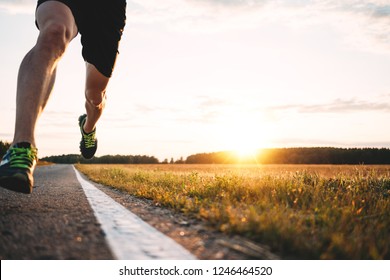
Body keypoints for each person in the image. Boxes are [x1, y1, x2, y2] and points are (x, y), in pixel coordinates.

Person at [0, 0, 127, 194]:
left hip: (107, 6)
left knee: (95, 95)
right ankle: (21, 148)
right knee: (54, 32)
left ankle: (88, 128)